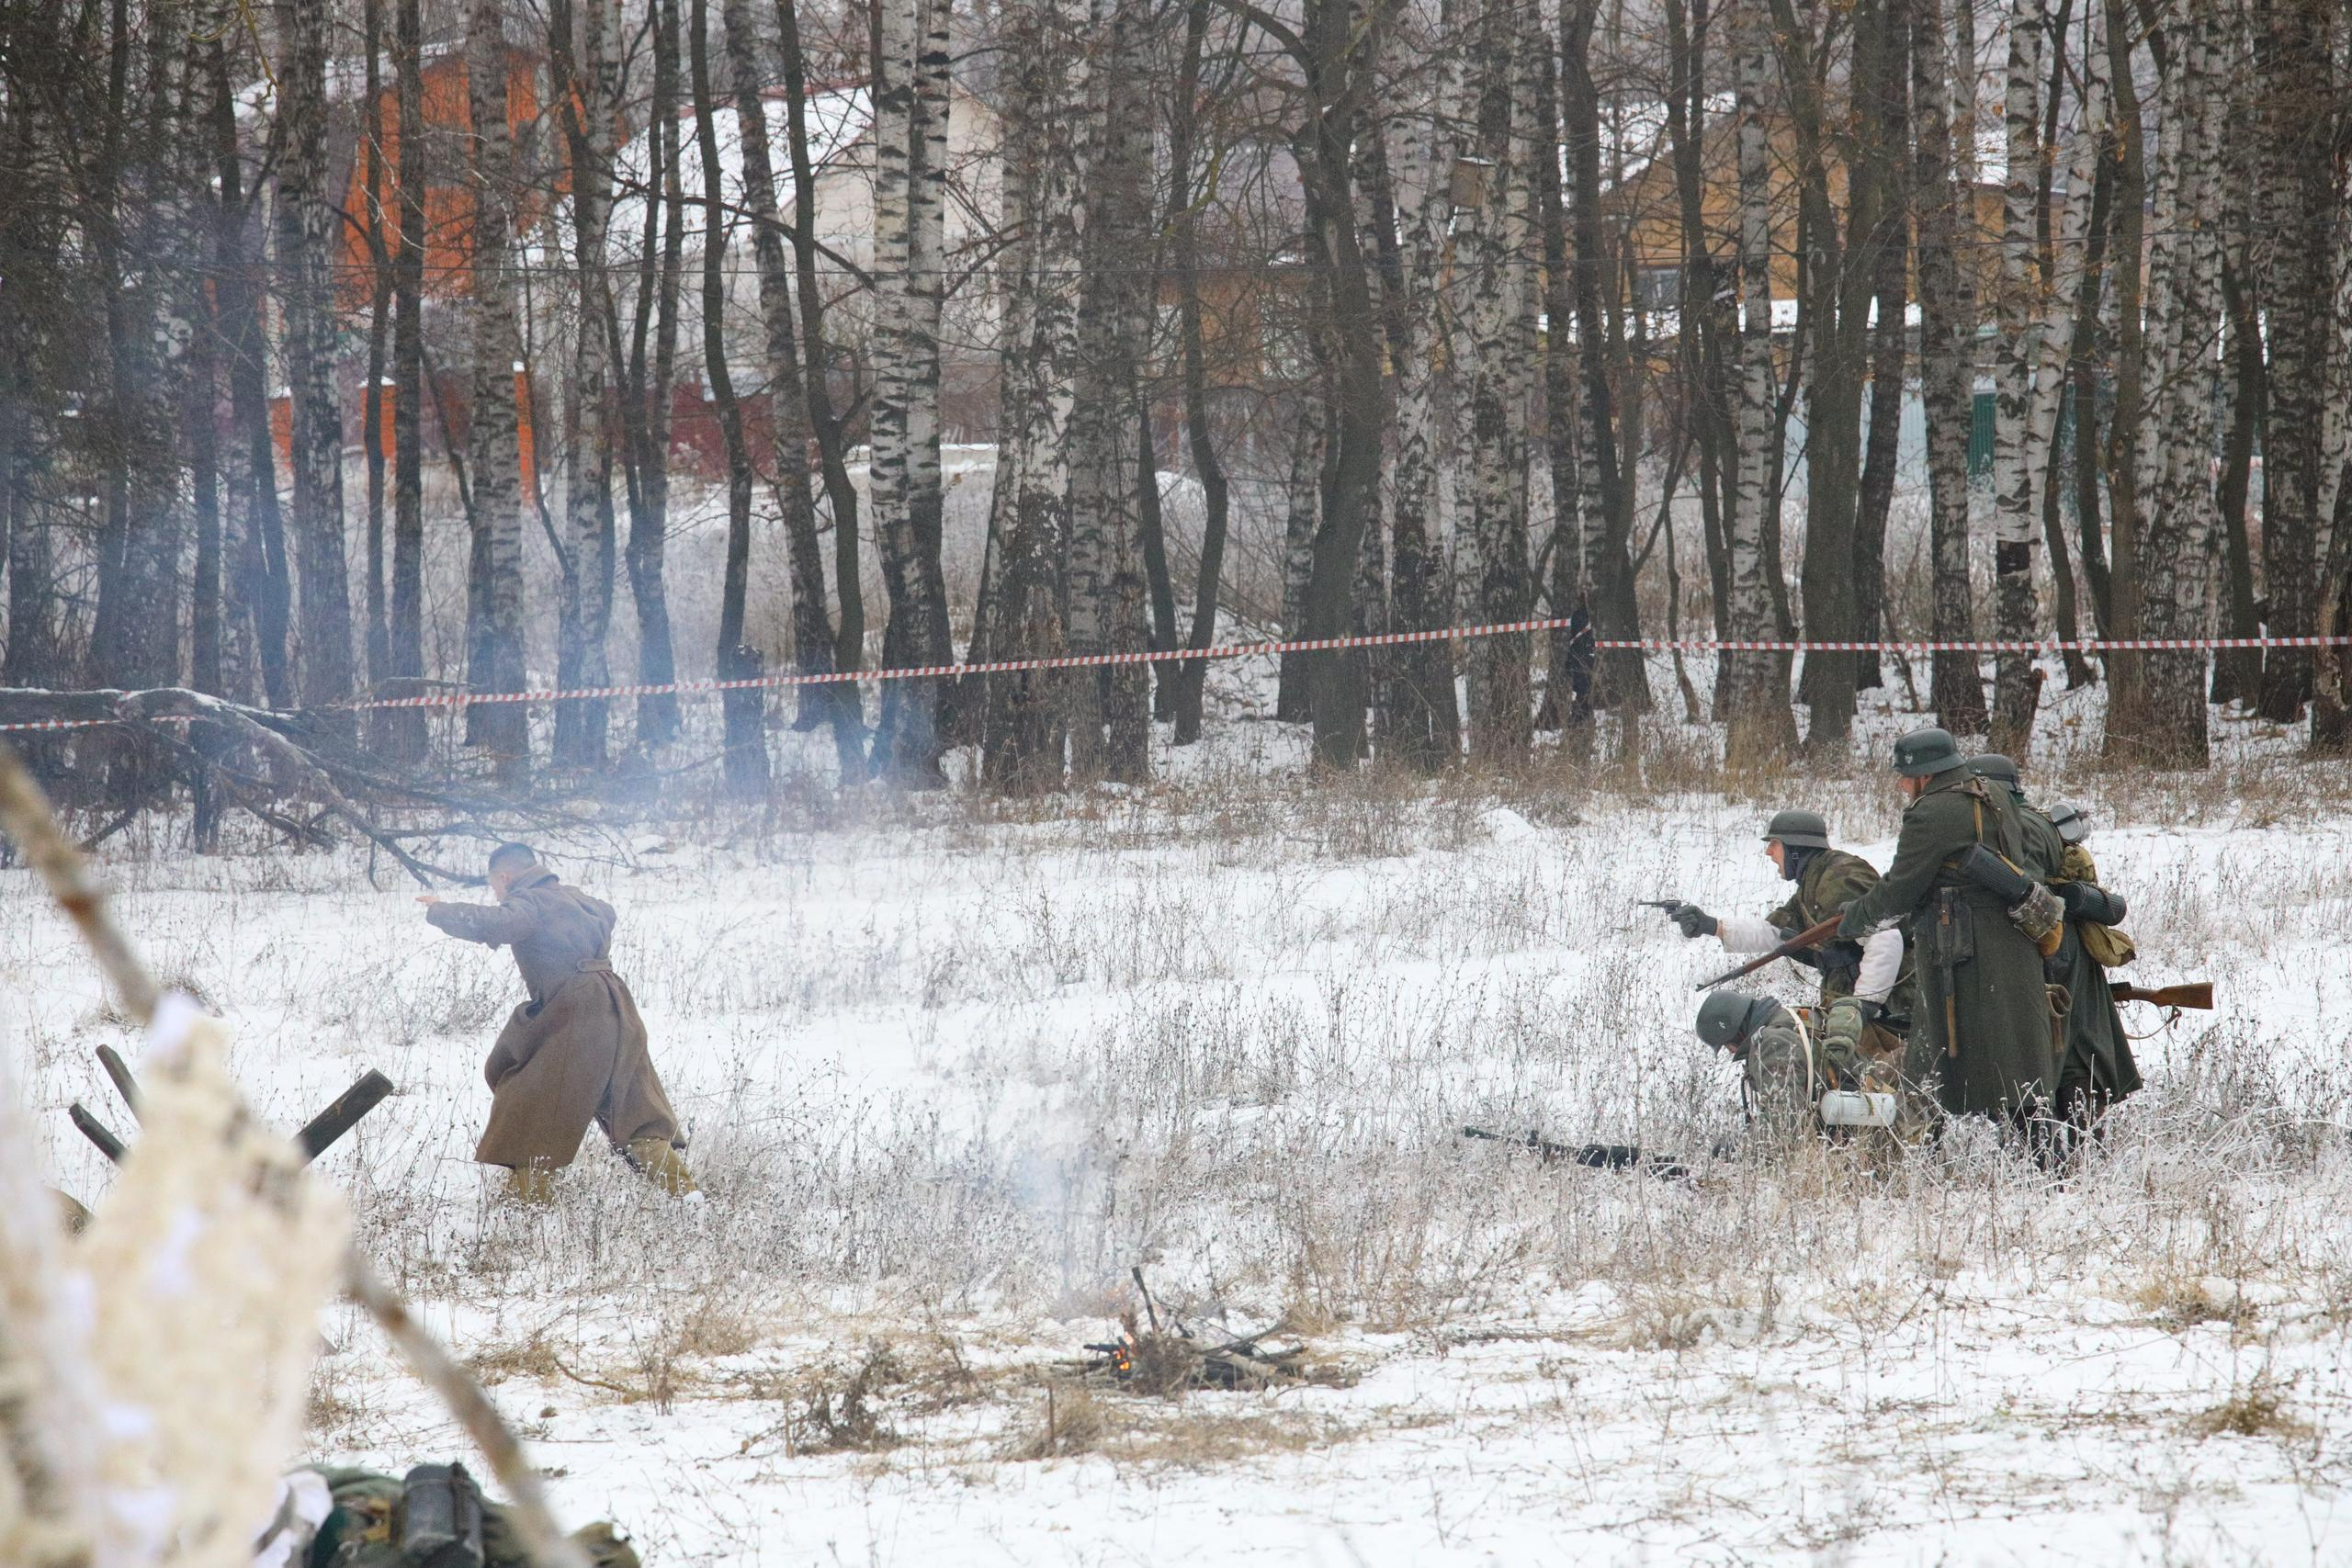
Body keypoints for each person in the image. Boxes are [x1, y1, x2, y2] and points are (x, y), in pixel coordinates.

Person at [419, 843, 694, 1200]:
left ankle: (529, 1210)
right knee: (633, 1111)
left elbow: (499, 922)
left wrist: (440, 910)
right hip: (616, 1006)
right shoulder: (577, 898)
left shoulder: (532, 902)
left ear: (505, 877)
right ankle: (688, 1199)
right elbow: (607, 913)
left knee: (532, 1107)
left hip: (575, 1013)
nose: (497, 895)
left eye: (495, 887)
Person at [1835, 728, 2060, 1127]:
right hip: (2012, 939)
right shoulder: (1994, 792)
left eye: (1905, 775)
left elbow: (1898, 891)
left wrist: (1853, 919)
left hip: (1964, 951)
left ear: (1926, 773)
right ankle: (2037, 1158)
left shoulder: (1931, 812)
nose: (1903, 785)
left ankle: (1930, 1146)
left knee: (1942, 1057)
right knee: (2015, 1058)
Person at [1669, 809, 1913, 1073]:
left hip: (1893, 1005)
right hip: (1862, 1001)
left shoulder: (1838, 878)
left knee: (1886, 1075)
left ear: (1796, 849)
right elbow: (1775, 933)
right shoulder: (1813, 883)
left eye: (1774, 844)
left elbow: (1885, 935)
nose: (1768, 853)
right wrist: (1713, 926)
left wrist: (1863, 1003)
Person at [2043, 802, 2143, 1131]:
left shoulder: (2028, 837)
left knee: (2074, 1057)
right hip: (2069, 948)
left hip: (2057, 946)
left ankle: (2077, 1143)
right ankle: (2082, 1144)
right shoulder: (2060, 847)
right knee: (2082, 1053)